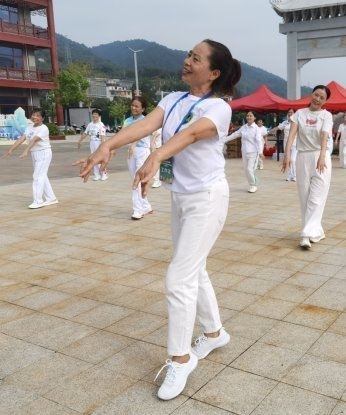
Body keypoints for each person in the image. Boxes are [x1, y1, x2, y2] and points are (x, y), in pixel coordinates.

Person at [75, 39, 241, 401]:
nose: (186, 61)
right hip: (181, 196)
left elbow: (191, 133)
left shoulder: (219, 107)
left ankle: (180, 359)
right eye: (188, 54)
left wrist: (156, 156)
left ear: (213, 72)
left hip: (207, 199)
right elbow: (146, 125)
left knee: (178, 277)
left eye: (195, 59)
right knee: (194, 270)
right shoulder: (172, 100)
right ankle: (214, 334)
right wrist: (109, 146)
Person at [282, 85, 333, 249]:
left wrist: (322, 156)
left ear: (325, 101)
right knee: (304, 198)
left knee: (316, 198)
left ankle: (305, 234)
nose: (317, 99)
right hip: (303, 157)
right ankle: (315, 231)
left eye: (322, 97)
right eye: (316, 95)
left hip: (320, 158)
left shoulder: (326, 115)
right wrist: (287, 155)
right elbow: (291, 135)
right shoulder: (299, 114)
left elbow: (324, 136)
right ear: (311, 95)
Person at [2, 108, 58, 209]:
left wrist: (26, 150)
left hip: (43, 153)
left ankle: (38, 201)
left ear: (42, 118)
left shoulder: (44, 128)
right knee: (42, 175)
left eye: (37, 116)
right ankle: (51, 198)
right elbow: (22, 138)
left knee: (37, 176)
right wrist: (11, 150)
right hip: (35, 153)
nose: (34, 117)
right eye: (33, 115)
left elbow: (34, 140)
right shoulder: (30, 127)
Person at [124, 96, 153, 220]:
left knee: (137, 180)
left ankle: (138, 209)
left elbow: (142, 133)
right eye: (132, 105)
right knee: (135, 180)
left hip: (142, 152)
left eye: (137, 106)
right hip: (131, 153)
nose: (134, 108)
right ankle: (146, 206)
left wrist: (134, 144)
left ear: (143, 109)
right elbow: (122, 135)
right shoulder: (127, 121)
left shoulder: (145, 120)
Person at [223, 111, 263, 193]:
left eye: (250, 116)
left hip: (253, 152)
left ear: (254, 118)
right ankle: (251, 184)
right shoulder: (244, 127)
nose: (248, 117)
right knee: (246, 170)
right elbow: (235, 134)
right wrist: (223, 140)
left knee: (250, 169)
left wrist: (261, 152)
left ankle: (253, 185)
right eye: (247, 115)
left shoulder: (256, 129)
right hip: (244, 152)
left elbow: (259, 141)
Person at [77, 109, 107, 181]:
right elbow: (85, 133)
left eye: (96, 114)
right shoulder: (90, 124)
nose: (94, 115)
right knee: (93, 159)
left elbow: (103, 136)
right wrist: (80, 141)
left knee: (100, 159)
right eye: (93, 114)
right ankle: (97, 175)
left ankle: (104, 174)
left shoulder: (101, 125)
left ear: (99, 116)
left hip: (99, 143)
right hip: (92, 143)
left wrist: (102, 146)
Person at [270, 108, 296, 181]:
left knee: (293, 160)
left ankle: (294, 175)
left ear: (294, 114)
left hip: (295, 144)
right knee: (287, 159)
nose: (290, 114)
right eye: (289, 112)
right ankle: (289, 175)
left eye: (291, 112)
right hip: (286, 143)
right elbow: (277, 128)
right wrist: (268, 132)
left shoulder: (297, 122)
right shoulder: (285, 122)